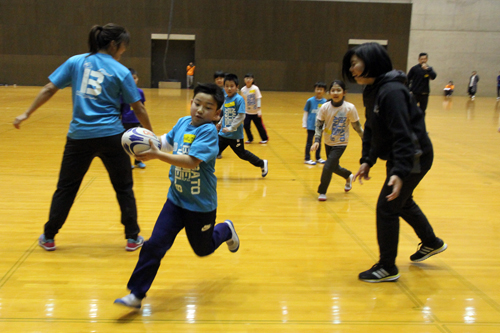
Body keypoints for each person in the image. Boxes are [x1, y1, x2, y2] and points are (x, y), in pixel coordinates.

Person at [12, 23, 153, 251]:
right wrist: (150, 134)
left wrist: (26, 113)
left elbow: (49, 88)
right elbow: (138, 108)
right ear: (113, 44)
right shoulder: (121, 71)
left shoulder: (76, 62)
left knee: (66, 188)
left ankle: (49, 236)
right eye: (122, 49)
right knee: (124, 187)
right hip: (112, 136)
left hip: (79, 137)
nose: (122, 53)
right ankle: (132, 237)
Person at [114, 83, 239, 309]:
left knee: (203, 249)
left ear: (217, 113)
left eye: (208, 107)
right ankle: (136, 294)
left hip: (200, 207)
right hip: (176, 200)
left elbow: (192, 162)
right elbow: (166, 142)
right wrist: (146, 145)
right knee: (154, 245)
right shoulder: (183, 123)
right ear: (191, 103)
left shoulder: (209, 132)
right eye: (197, 104)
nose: (200, 110)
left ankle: (226, 229)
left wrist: (158, 156)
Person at [342, 42, 447, 282]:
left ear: (372, 63)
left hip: (413, 155)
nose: (352, 70)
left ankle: (387, 267)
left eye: (355, 64)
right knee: (401, 201)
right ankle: (431, 242)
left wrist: (400, 171)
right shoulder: (373, 90)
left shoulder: (391, 92)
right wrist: (367, 159)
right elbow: (372, 127)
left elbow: (403, 133)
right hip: (402, 154)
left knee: (387, 207)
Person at [310, 80, 363, 201]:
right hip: (328, 141)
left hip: (341, 142)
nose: (335, 92)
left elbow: (357, 126)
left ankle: (322, 191)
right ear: (329, 93)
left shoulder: (350, 108)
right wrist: (317, 140)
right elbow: (318, 125)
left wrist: (365, 139)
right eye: (333, 90)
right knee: (334, 167)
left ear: (344, 92)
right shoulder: (324, 107)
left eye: (338, 90)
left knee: (327, 166)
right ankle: (348, 175)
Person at [217, 74, 268, 177]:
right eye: (227, 86)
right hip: (223, 134)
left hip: (234, 136)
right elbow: (225, 114)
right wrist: (219, 123)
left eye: (232, 86)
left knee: (242, 154)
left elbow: (241, 116)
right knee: (213, 151)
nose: (229, 88)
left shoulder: (239, 99)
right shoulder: (226, 98)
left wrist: (231, 128)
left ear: (237, 87)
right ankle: (203, 171)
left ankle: (262, 163)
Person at [121, 68, 147, 169]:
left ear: (138, 79)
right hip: (126, 121)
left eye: (135, 78)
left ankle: (138, 161)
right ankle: (127, 162)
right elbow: (121, 108)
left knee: (139, 142)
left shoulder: (140, 92)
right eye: (131, 79)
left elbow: (142, 107)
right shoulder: (122, 93)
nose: (133, 80)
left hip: (137, 121)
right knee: (126, 143)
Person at [303, 82, 327, 165]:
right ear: (315, 90)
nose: (319, 91)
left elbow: (326, 115)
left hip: (319, 126)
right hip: (310, 125)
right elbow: (306, 112)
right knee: (309, 142)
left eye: (321, 89)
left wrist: (325, 125)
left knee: (318, 142)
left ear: (324, 91)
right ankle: (307, 158)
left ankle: (318, 157)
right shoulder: (310, 101)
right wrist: (304, 123)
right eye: (317, 89)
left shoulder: (325, 102)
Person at [241, 73, 269, 144]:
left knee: (259, 126)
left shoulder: (255, 88)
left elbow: (258, 98)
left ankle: (264, 138)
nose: (248, 80)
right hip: (247, 112)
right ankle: (250, 138)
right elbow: (242, 100)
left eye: (250, 78)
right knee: (246, 125)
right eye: (247, 78)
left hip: (255, 112)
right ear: (244, 79)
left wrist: (259, 110)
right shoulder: (243, 90)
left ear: (252, 80)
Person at [214, 70, 226, 159]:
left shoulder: (226, 90)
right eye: (217, 79)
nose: (219, 80)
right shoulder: (213, 90)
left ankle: (218, 151)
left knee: (221, 134)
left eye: (221, 78)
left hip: (223, 114)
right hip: (214, 113)